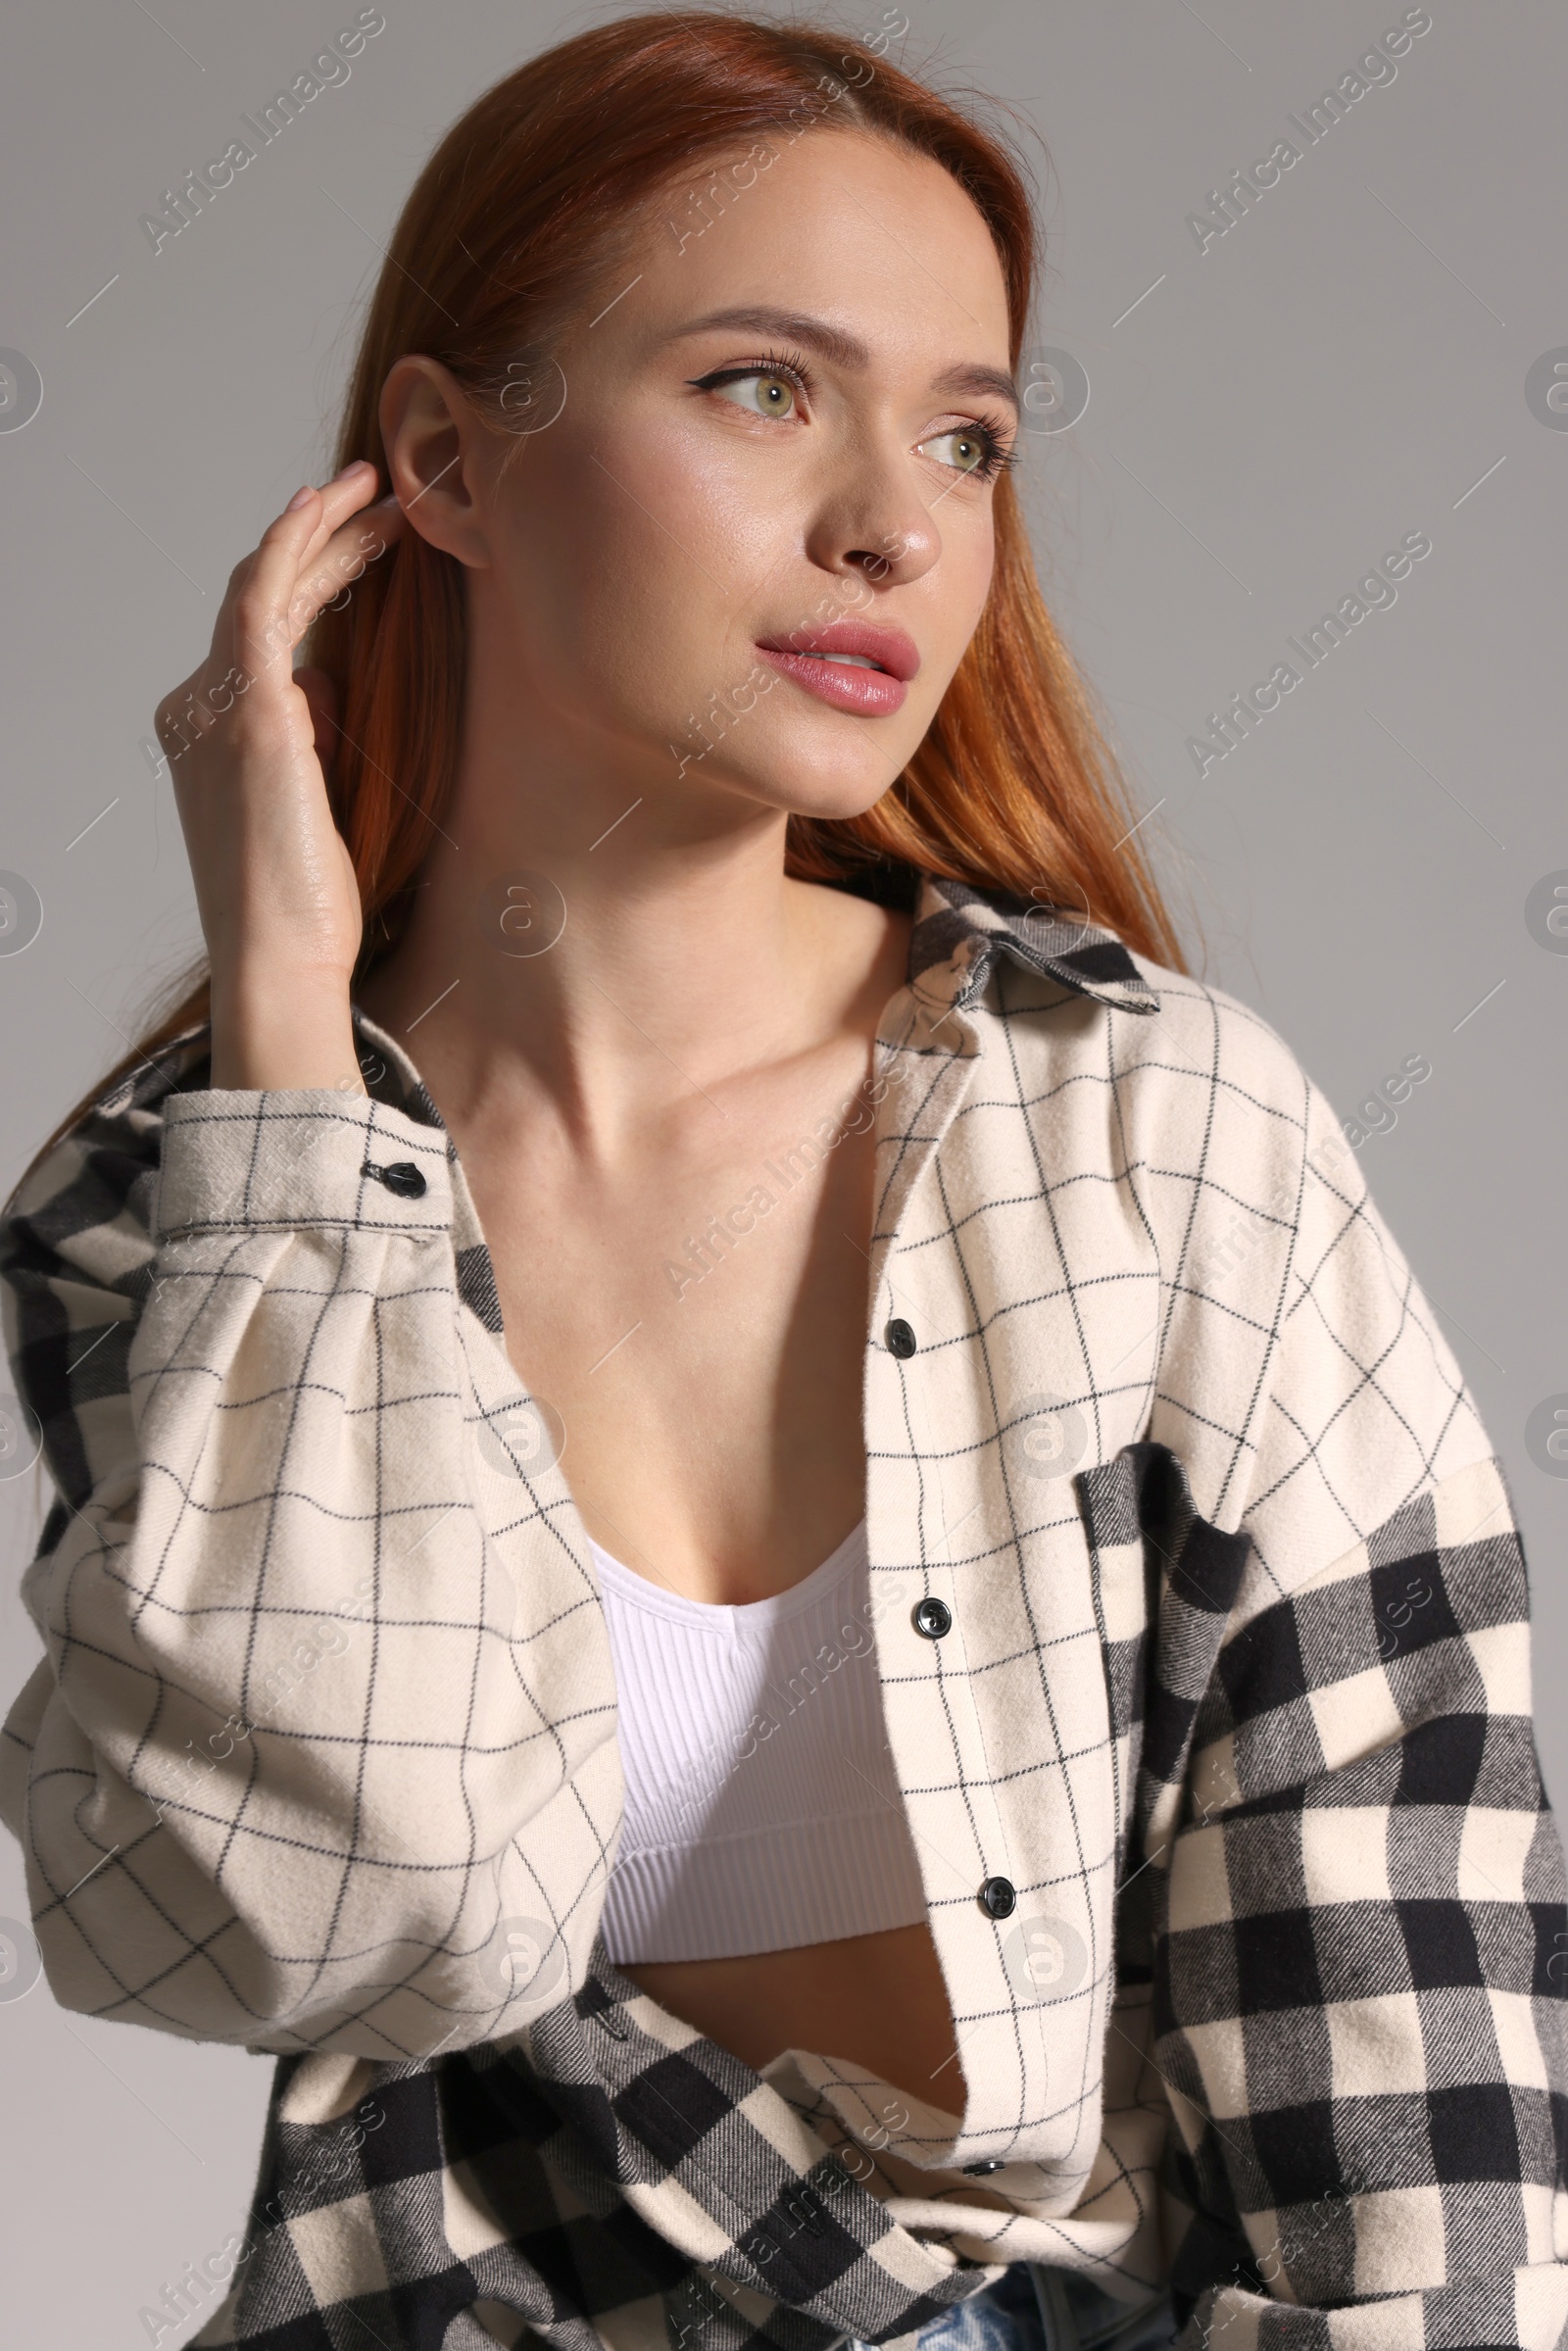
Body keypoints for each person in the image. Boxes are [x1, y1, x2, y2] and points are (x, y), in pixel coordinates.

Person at [3, 15, 1564, 2351]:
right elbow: (320, 1907)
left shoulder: (1142, 1129)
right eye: (762, 388)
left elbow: (1398, 1982)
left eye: (967, 436)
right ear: (441, 455)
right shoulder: (187, 1204)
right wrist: (294, 1038)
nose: (896, 523)